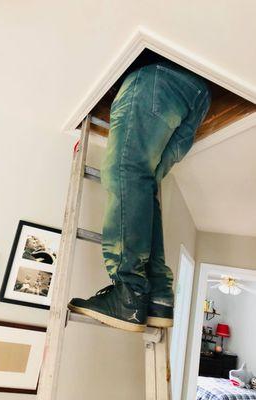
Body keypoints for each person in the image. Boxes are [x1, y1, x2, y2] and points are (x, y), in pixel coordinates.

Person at [68, 58, 212, 332]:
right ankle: (158, 295)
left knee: (126, 171)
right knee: (142, 184)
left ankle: (129, 293)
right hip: (196, 97)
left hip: (158, 80)